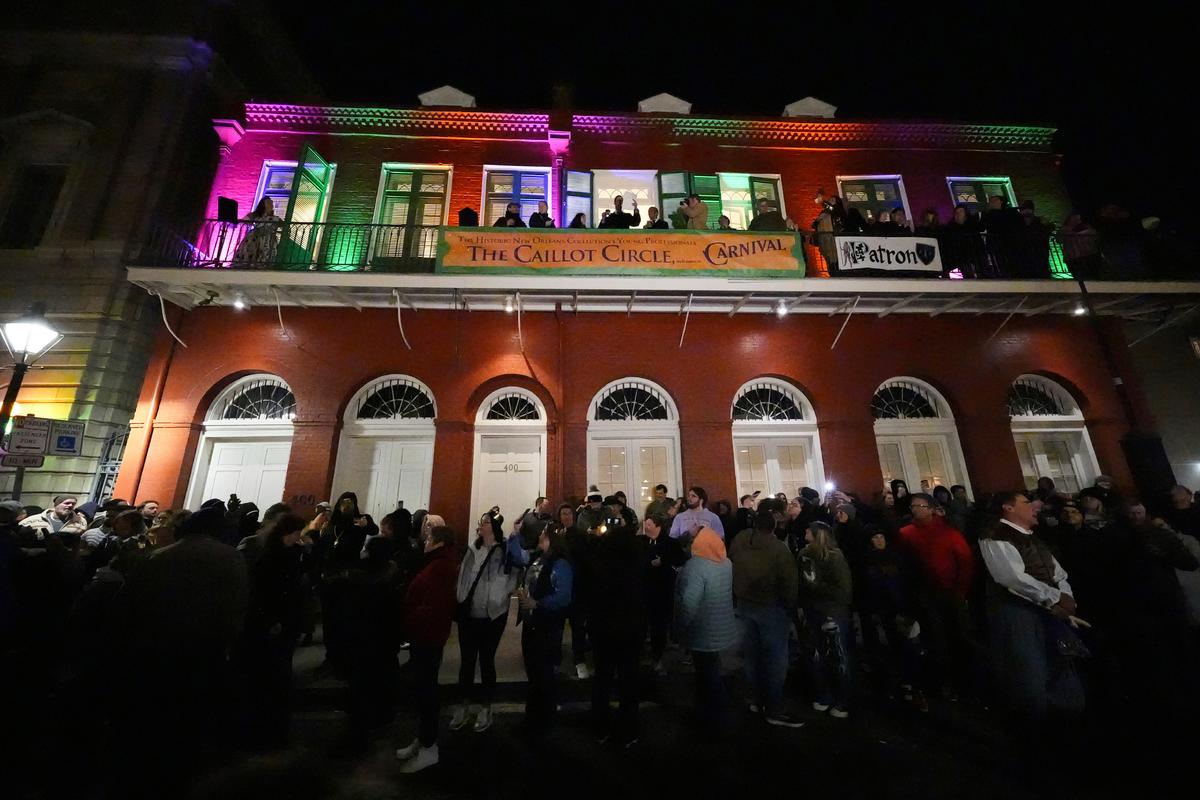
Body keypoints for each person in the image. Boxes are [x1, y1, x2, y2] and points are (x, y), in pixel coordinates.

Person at [979, 491, 1084, 721]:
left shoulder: (1033, 538)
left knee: (1059, 659)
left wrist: (1064, 596)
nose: (1034, 506)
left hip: (1047, 608)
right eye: (1026, 502)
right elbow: (1010, 577)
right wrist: (1052, 598)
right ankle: (1035, 720)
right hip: (1018, 611)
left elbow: (1058, 572)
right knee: (1029, 667)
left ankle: (1066, 714)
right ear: (1008, 508)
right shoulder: (995, 536)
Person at [896, 493, 975, 702]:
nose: (915, 509)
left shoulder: (949, 532)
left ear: (931, 509)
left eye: (920, 506)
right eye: (913, 506)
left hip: (951, 593)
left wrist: (960, 591)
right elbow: (904, 566)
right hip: (925, 594)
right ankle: (944, 682)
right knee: (935, 639)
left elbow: (965, 562)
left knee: (959, 636)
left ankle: (966, 681)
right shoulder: (906, 533)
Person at [728, 506, 803, 727]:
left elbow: (731, 560)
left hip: (744, 604)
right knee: (775, 659)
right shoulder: (779, 549)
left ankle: (754, 698)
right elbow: (789, 583)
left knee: (751, 654)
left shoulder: (740, 540)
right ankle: (774, 707)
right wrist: (791, 607)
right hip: (771, 608)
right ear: (773, 527)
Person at [395, 525, 459, 773]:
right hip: (425, 636)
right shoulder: (437, 563)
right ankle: (422, 740)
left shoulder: (440, 567)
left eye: (429, 538)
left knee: (427, 692)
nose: (425, 541)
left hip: (427, 637)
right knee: (423, 690)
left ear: (439, 542)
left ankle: (429, 747)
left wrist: (408, 621)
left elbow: (432, 606)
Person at [449, 511, 519, 734]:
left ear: (494, 528)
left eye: (486, 522)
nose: (481, 525)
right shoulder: (472, 549)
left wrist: (501, 598)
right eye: (481, 522)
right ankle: (463, 705)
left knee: (486, 660)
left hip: (492, 615)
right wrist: (460, 597)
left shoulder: (504, 549)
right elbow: (463, 576)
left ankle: (485, 707)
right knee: (467, 661)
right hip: (470, 614)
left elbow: (513, 574)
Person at [243, 512, 307, 748]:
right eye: (296, 534)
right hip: (275, 622)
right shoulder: (271, 558)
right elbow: (266, 592)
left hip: (284, 620)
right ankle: (269, 725)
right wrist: (272, 618)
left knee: (278, 668)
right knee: (273, 670)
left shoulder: (285, 554)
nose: (298, 538)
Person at [586, 498, 646, 747]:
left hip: (604, 628)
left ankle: (601, 727)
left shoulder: (600, 562)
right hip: (629, 628)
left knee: (602, 678)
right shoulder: (634, 563)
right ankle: (628, 729)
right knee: (628, 680)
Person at [676, 527, 737, 726]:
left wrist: (680, 628)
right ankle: (716, 712)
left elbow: (688, 604)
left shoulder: (695, 567)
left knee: (706, 675)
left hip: (702, 630)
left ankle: (713, 716)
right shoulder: (725, 562)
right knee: (713, 669)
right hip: (722, 626)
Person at [515, 528, 573, 734]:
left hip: (546, 624)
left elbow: (564, 596)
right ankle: (534, 716)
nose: (540, 536)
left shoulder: (560, 564)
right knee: (533, 671)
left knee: (543, 672)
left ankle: (543, 719)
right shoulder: (539, 558)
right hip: (532, 622)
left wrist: (537, 603)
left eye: (544, 535)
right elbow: (518, 557)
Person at [798, 521, 854, 718]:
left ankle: (843, 699)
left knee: (837, 655)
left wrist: (817, 590)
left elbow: (844, 588)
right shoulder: (804, 554)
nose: (805, 531)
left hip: (832, 611)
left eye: (808, 529)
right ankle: (824, 694)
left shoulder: (834, 557)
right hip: (812, 610)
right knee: (815, 654)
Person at [642, 513, 684, 674]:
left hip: (663, 590)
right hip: (645, 590)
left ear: (658, 526)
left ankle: (657, 657)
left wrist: (664, 561)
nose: (646, 527)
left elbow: (679, 560)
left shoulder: (670, 543)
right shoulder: (643, 542)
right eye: (646, 524)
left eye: (649, 524)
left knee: (659, 625)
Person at [231, 197, 281, 266]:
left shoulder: (276, 218)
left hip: (269, 240)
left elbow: (284, 225)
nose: (271, 205)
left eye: (272, 203)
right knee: (251, 253)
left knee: (266, 255)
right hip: (255, 238)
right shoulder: (256, 215)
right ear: (263, 205)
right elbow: (244, 220)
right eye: (269, 203)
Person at [19, 495, 88, 540]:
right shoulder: (34, 520)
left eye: (73, 504)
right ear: (56, 505)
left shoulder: (81, 521)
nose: (70, 505)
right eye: (67, 503)